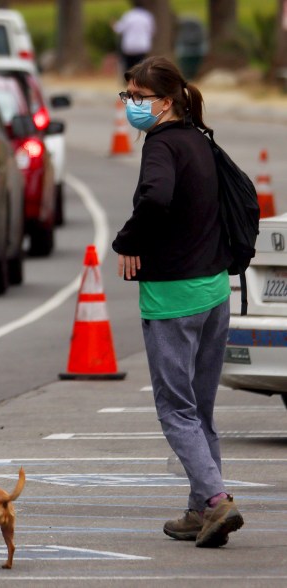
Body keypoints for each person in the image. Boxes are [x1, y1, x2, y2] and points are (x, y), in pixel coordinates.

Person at [112, 56, 244, 548]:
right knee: (200, 411)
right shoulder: (199, 141)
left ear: (165, 102)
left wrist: (127, 241)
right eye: (127, 96)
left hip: (173, 297)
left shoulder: (162, 146)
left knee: (175, 410)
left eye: (139, 97)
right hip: (213, 292)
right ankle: (198, 510)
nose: (130, 104)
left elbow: (156, 197)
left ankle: (215, 500)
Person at [112, 0, 155, 71]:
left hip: (129, 47)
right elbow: (151, 31)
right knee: (141, 68)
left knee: (130, 68)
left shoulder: (128, 16)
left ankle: (130, 81)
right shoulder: (147, 16)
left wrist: (113, 25)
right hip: (142, 46)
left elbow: (119, 29)